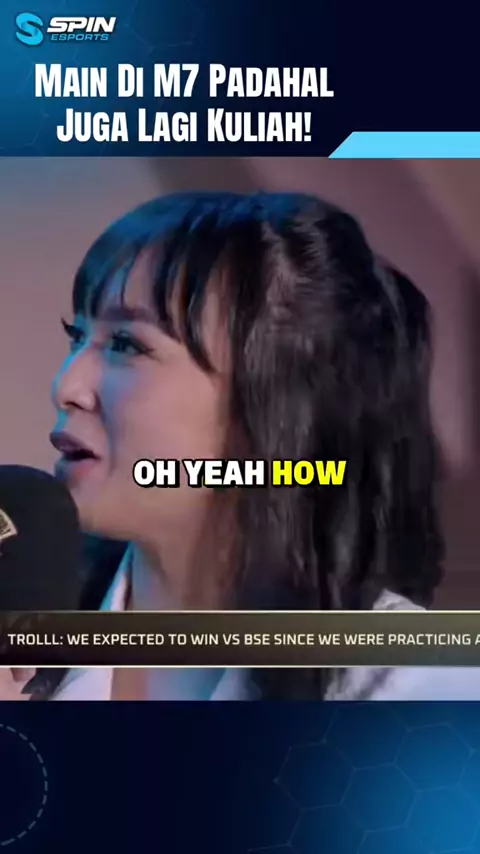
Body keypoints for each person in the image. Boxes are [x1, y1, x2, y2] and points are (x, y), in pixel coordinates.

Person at [3, 191, 476, 700]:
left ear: (277, 406)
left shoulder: (419, 692)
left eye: (126, 345)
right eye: (77, 336)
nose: (66, 386)